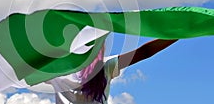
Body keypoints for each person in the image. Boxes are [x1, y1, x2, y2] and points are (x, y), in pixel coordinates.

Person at [47, 39, 178, 104]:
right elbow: (144, 52)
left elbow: (27, 68)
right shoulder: (104, 66)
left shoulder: (55, 72)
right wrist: (181, 32)